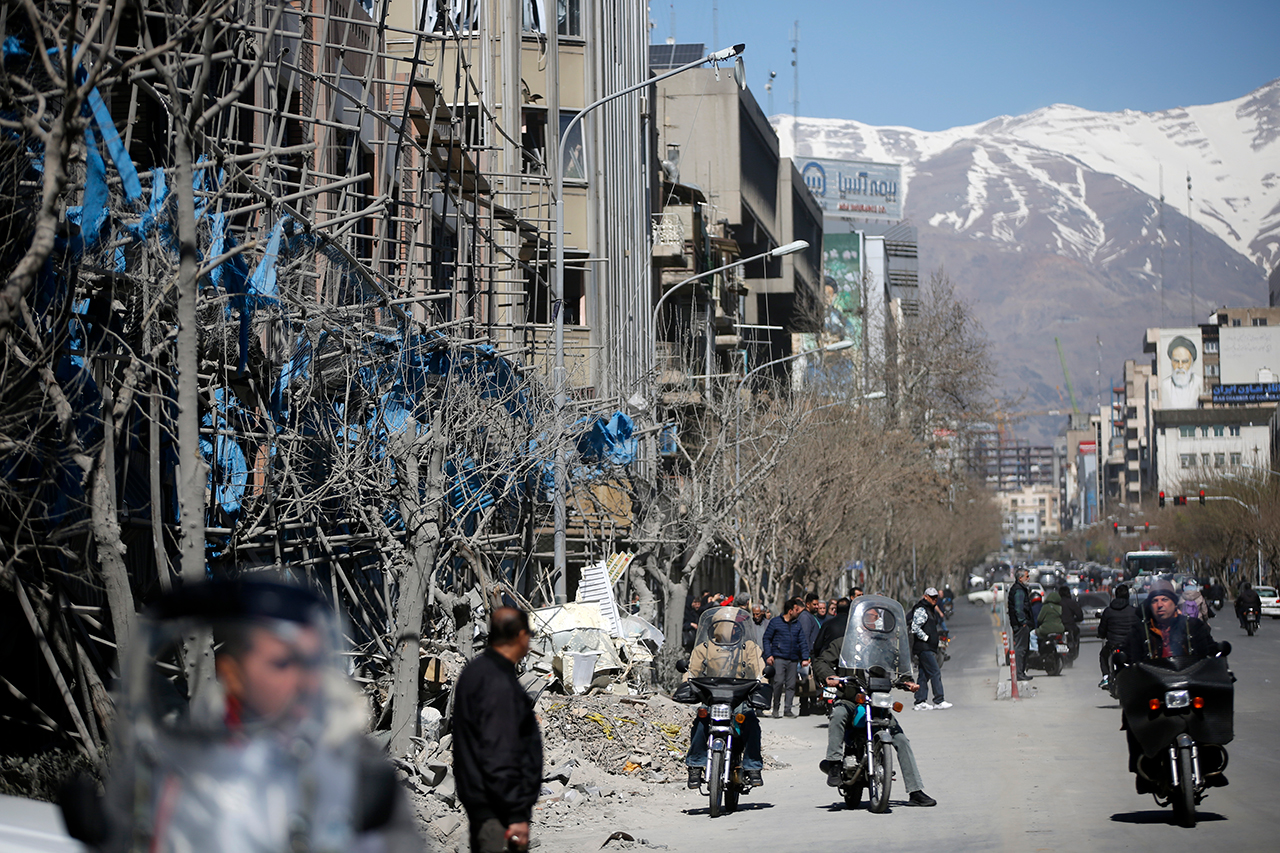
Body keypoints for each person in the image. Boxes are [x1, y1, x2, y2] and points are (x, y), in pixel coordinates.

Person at [80, 580, 421, 853]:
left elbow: (402, 843)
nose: (306, 680)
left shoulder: (352, 761)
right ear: (233, 674)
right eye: (282, 663)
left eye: (311, 662)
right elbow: (128, 830)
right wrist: (106, 831)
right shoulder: (176, 757)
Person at [812, 604, 937, 807]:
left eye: (877, 617)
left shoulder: (883, 646)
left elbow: (898, 666)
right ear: (859, 620)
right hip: (851, 698)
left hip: (876, 700)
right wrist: (829, 676)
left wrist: (907, 681)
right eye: (871, 617)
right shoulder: (844, 643)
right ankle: (834, 764)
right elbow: (821, 662)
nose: (875, 620)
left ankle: (915, 791)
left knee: (901, 739)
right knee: (838, 714)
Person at [1118, 579, 1224, 793]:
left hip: (1190, 686)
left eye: (1164, 600)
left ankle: (1212, 764)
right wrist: (1122, 661)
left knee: (1211, 709)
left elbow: (1210, 650)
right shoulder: (1139, 632)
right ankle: (1144, 770)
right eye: (1155, 601)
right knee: (1133, 717)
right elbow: (1128, 656)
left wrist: (1218, 655)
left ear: (1174, 603)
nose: (1160, 605)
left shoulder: (1193, 627)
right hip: (1155, 690)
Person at [453, 607, 543, 853]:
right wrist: (516, 814)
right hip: (499, 813)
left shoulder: (478, 671)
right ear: (520, 636)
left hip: (486, 806)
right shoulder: (496, 683)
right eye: (529, 635)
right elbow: (499, 752)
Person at [682, 608, 765, 788]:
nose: (735, 628)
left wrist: (762, 684)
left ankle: (752, 766)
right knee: (701, 721)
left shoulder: (749, 647)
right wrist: (687, 683)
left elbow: (759, 669)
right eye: (732, 625)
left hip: (739, 697)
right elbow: (692, 671)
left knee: (751, 721)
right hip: (712, 697)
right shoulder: (704, 648)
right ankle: (695, 765)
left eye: (737, 625)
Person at [762, 597, 811, 718]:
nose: (798, 612)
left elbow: (802, 642)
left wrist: (805, 657)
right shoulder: (775, 622)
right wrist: (769, 655)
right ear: (790, 611)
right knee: (778, 682)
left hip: (793, 659)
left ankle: (788, 709)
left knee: (791, 685)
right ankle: (776, 707)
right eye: (796, 609)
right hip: (779, 658)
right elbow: (766, 638)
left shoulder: (797, 624)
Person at [908, 588, 949, 710]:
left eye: (936, 597)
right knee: (935, 672)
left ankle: (920, 701)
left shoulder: (930, 609)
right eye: (932, 597)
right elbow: (915, 627)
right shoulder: (921, 609)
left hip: (928, 647)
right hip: (924, 648)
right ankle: (939, 700)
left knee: (923, 675)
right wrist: (926, 638)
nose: (934, 599)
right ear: (925, 597)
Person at [1097, 584, 1137, 684]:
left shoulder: (1108, 611)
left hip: (1113, 644)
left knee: (1103, 656)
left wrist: (1101, 635)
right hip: (1130, 645)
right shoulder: (1134, 611)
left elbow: (1102, 630)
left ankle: (1106, 677)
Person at [1160, 334, 1203, 409]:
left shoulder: (1199, 383)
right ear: (1171, 362)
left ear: (1192, 363)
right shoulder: (1164, 386)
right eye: (1176, 361)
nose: (1180, 366)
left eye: (1184, 361)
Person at [1008, 568, 1034, 681]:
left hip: (1020, 624)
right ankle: (1019, 673)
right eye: (1026, 576)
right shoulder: (1019, 590)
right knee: (1021, 649)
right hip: (1020, 626)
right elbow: (1019, 609)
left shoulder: (1020, 589)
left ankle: (1021, 672)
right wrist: (1023, 622)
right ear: (1020, 578)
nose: (1028, 578)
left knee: (1024, 649)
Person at [1058, 584, 1083, 651]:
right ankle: (1075, 646)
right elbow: (1080, 615)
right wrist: (1073, 620)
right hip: (1070, 626)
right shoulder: (1072, 603)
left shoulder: (1056, 603)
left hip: (1059, 626)